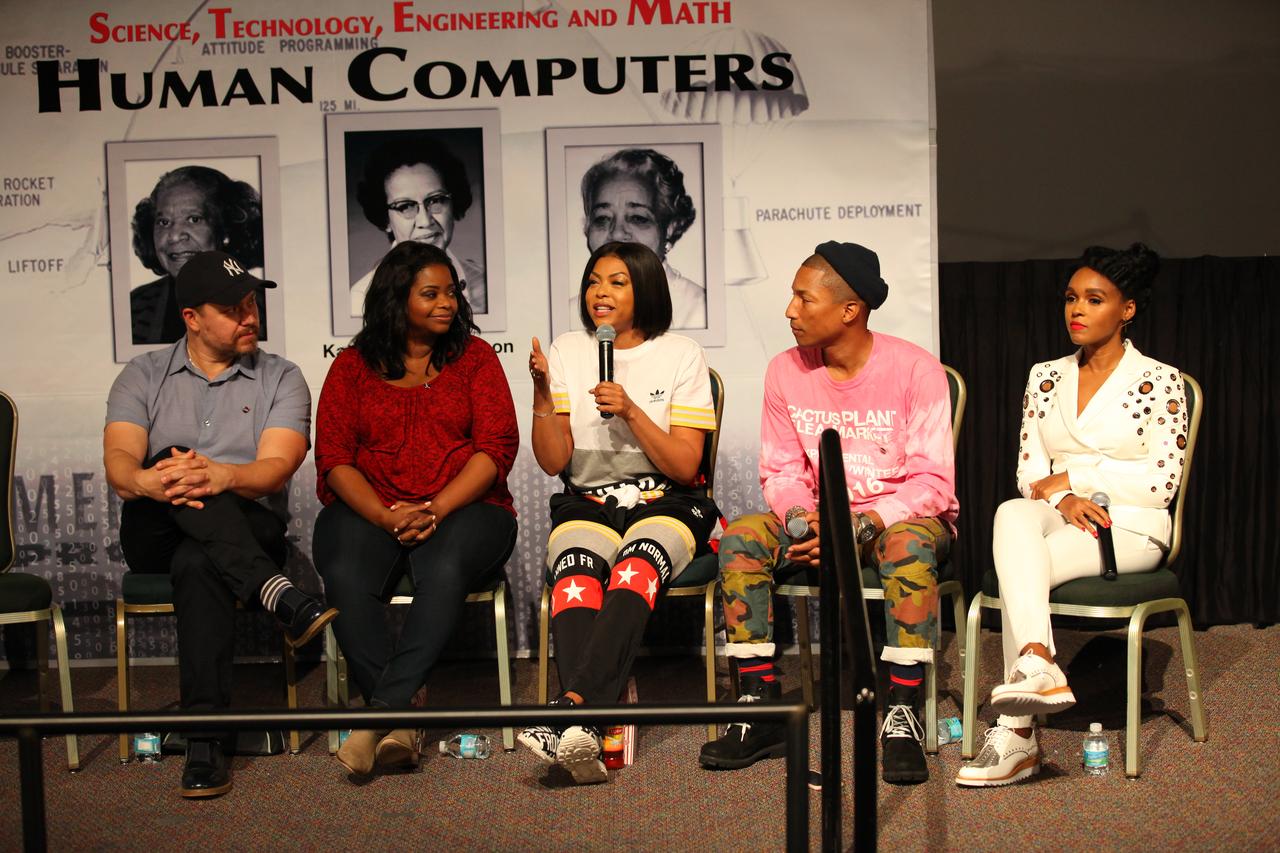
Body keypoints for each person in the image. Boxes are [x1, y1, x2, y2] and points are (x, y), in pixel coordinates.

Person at [699, 241, 958, 785]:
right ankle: (759, 706)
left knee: (909, 546)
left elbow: (932, 483)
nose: (790, 311)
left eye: (803, 298)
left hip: (894, 521)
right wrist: (802, 520)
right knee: (743, 536)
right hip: (816, 519)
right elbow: (782, 470)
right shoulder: (784, 372)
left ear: (849, 310)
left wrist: (856, 524)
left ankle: (902, 713)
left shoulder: (916, 369)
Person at [104, 250, 334, 799]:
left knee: (198, 558)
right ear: (192, 318)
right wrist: (154, 481)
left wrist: (219, 476)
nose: (250, 316)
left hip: (246, 524)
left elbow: (275, 470)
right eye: (233, 308)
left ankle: (203, 740)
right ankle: (278, 594)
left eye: (252, 303)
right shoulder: (142, 375)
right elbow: (120, 464)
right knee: (173, 459)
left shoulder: (282, 376)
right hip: (153, 525)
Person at [956, 243, 1185, 787]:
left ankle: (1016, 737)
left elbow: (1161, 483)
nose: (1076, 310)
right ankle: (1038, 660)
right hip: (1059, 512)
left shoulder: (1160, 379)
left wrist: (1079, 479)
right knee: (1013, 514)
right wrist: (1062, 498)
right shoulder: (1045, 376)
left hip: (1131, 524)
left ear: (1126, 310)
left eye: (1094, 299)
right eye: (1071, 298)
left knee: (1022, 569)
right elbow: (1029, 473)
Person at [314, 240, 518, 777]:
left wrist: (436, 506)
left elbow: (495, 449)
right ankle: (402, 719)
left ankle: (376, 717)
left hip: (467, 505)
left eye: (451, 292)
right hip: (371, 506)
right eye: (431, 294)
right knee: (343, 568)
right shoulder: (352, 368)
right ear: (395, 298)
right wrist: (384, 515)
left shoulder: (475, 359)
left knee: (443, 564)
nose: (447, 303)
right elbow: (334, 459)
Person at [518, 241, 719, 784]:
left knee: (636, 565)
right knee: (576, 573)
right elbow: (554, 460)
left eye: (617, 282)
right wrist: (541, 393)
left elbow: (684, 465)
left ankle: (575, 709)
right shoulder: (566, 350)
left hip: (669, 501)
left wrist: (630, 409)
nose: (599, 294)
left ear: (646, 288)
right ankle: (589, 723)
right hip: (588, 500)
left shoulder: (680, 354)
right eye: (593, 281)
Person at [349, 133, 487, 317]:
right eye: (405, 206)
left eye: (436, 200)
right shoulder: (362, 299)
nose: (425, 220)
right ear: (385, 219)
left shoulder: (485, 282)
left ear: (453, 204)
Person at [129, 166, 265, 345]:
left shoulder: (265, 308)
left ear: (224, 229)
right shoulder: (134, 307)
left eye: (194, 219)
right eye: (164, 222)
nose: (175, 235)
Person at [578, 148, 705, 330]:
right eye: (603, 218)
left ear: (670, 227)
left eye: (638, 218)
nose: (617, 234)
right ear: (587, 227)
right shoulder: (571, 314)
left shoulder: (699, 309)